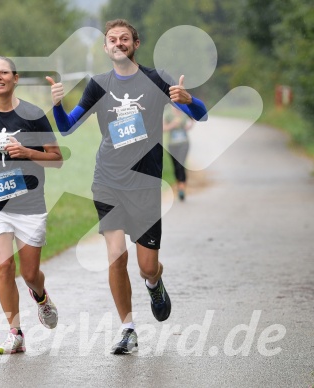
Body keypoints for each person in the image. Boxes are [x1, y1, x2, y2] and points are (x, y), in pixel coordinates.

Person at [46, 19, 208, 354]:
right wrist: (57, 106)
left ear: (134, 44)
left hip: (145, 185)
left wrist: (189, 100)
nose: (118, 43)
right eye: (111, 39)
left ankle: (154, 283)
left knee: (147, 265)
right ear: (105, 48)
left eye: (124, 38)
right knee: (115, 257)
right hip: (107, 181)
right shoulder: (98, 84)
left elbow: (201, 115)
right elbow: (67, 128)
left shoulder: (156, 79)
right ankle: (128, 328)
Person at [0, 56, 63, 355]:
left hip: (30, 202)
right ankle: (15, 332)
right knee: (5, 266)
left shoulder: (33, 115)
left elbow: (56, 158)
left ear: (15, 78)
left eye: (4, 72)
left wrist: (26, 151)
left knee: (30, 274)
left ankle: (41, 297)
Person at [163, 105, 194, 201]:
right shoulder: (168, 113)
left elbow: (189, 123)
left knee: (181, 164)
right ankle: (178, 184)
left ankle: (182, 188)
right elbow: (163, 128)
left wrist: (190, 124)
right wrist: (173, 124)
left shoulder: (184, 111)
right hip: (172, 144)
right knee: (176, 166)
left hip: (184, 143)